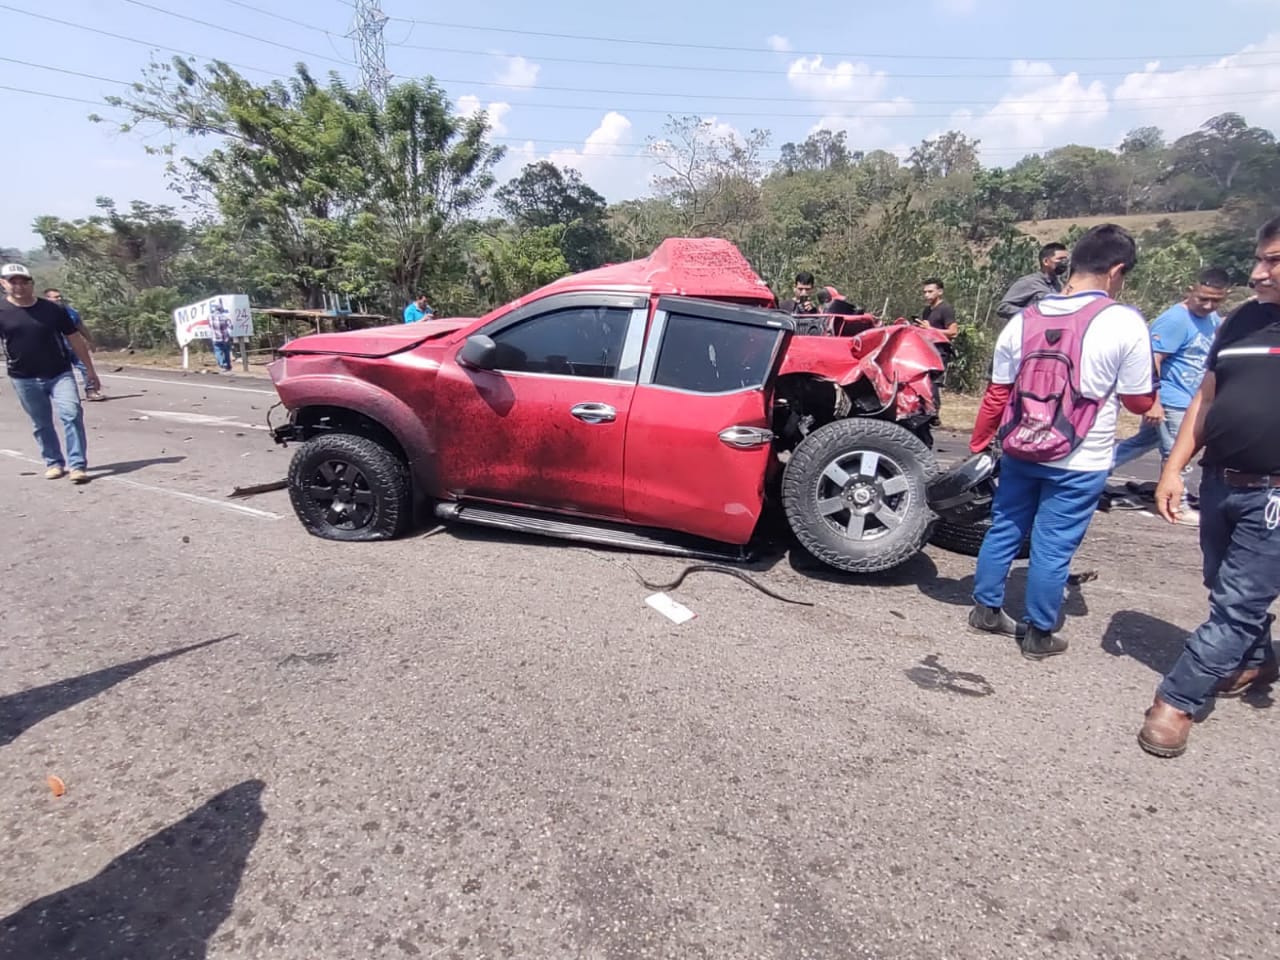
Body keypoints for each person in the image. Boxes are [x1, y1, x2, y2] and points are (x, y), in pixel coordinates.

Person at [966, 225, 1156, 659]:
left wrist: (978, 446)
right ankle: (1038, 633)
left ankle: (985, 610)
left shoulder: (1024, 320)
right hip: (1080, 458)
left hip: (1019, 447)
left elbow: (997, 393)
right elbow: (1137, 398)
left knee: (1004, 528)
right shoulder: (1123, 322)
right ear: (1117, 270)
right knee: (1054, 544)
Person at [1137, 216, 1280, 758]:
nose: (1256, 273)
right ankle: (1255, 660)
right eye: (1258, 258)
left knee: (1237, 605)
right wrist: (1174, 469)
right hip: (1220, 482)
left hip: (1274, 498)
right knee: (1225, 586)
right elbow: (1206, 398)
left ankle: (1176, 701)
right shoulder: (1240, 321)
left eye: (1272, 261)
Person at [1109, 268, 1231, 524]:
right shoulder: (1175, 320)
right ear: (1191, 289)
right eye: (1203, 298)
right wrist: (1153, 400)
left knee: (1141, 443)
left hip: (1190, 397)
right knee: (1177, 453)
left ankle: (1092, 471)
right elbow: (1151, 359)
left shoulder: (1211, 318)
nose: (1209, 305)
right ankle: (1178, 504)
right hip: (1171, 398)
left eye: (1216, 301)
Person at [0, 263, 101, 483]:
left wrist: (90, 371)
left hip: (59, 373)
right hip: (23, 376)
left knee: (72, 413)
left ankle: (77, 465)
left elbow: (74, 338)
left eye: (23, 281)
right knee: (41, 422)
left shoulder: (52, 309)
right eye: (13, 281)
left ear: (31, 283)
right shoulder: (2, 311)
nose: (19, 286)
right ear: (3, 283)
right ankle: (54, 462)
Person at [43, 288, 103, 401]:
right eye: (56, 297)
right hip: (56, 349)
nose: (59, 298)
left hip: (74, 347)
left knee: (86, 367)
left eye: (60, 296)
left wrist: (90, 341)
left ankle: (91, 391)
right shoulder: (42, 313)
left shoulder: (70, 311)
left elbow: (80, 327)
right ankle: (65, 395)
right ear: (47, 298)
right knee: (63, 373)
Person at [996, 242, 1070, 320]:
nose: (1064, 263)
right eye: (1060, 259)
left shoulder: (1060, 285)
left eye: (1065, 259)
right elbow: (1002, 308)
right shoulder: (1029, 282)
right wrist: (1032, 314)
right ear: (1045, 261)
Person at [209, 300, 234, 372]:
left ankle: (222, 364)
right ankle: (227, 366)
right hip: (224, 338)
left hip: (215, 338)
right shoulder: (225, 318)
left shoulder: (210, 317)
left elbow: (210, 326)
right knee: (226, 352)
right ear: (221, 310)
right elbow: (231, 327)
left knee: (217, 351)